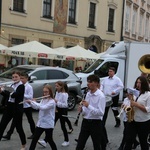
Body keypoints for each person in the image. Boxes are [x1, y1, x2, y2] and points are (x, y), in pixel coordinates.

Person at [2, 72, 36, 140]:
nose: (21, 80)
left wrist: (21, 94)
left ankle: (34, 134)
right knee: (15, 121)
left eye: (23, 78)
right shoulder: (16, 85)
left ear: (26, 79)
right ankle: (9, 134)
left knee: (30, 120)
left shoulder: (29, 87)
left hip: (26, 105)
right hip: (19, 105)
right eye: (21, 78)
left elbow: (30, 96)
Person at [76, 74, 106, 150]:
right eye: (88, 82)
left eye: (90, 82)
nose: (88, 84)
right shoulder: (88, 94)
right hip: (86, 122)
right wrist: (82, 110)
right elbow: (86, 110)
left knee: (96, 146)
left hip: (96, 123)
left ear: (96, 83)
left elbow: (101, 113)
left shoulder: (101, 96)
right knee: (80, 145)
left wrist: (88, 106)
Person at [38, 81, 70, 147]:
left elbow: (65, 105)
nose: (56, 87)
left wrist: (57, 102)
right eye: (55, 86)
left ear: (61, 87)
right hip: (56, 111)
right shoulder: (57, 92)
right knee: (52, 125)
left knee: (63, 126)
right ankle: (45, 140)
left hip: (62, 111)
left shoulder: (64, 94)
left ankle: (66, 140)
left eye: (57, 86)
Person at [0, 71, 26, 150]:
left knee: (19, 128)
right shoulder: (11, 85)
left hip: (17, 109)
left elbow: (14, 95)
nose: (14, 78)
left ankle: (23, 144)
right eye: (13, 77)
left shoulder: (21, 86)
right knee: (2, 126)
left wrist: (6, 91)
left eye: (16, 77)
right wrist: (1, 91)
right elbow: (8, 96)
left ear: (19, 77)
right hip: (9, 108)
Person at [26, 84, 57, 150]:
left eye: (46, 92)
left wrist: (33, 102)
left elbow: (43, 108)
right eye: (44, 92)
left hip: (48, 124)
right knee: (35, 139)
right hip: (40, 123)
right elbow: (37, 107)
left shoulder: (52, 102)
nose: (45, 93)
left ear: (50, 92)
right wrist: (31, 103)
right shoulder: (43, 100)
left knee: (50, 140)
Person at [124, 76, 150, 150]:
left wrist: (136, 105)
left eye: (140, 83)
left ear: (144, 84)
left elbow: (148, 109)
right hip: (133, 120)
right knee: (128, 140)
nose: (138, 84)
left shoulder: (148, 95)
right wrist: (127, 104)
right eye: (137, 82)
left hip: (143, 122)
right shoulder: (135, 93)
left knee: (143, 142)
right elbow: (131, 104)